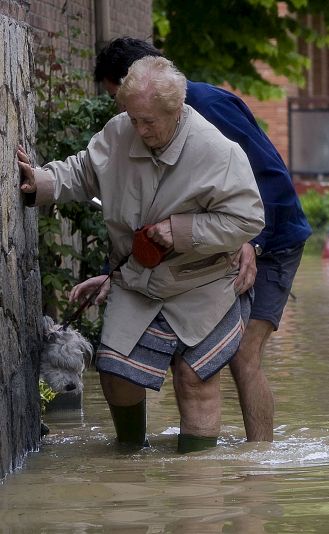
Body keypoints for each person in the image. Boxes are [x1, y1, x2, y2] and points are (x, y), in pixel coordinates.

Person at [18, 56, 265, 452]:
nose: (140, 129)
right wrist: (42, 182)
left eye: (149, 121)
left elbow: (248, 219)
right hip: (137, 278)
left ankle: (196, 486)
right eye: (133, 118)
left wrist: (181, 230)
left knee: (193, 377)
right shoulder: (120, 132)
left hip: (202, 282)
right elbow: (83, 172)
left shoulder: (219, 152)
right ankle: (131, 457)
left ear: (178, 110)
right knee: (116, 375)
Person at [70, 37, 312, 442]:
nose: (122, 112)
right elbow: (143, 218)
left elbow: (267, 175)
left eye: (119, 96)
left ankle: (260, 468)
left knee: (243, 357)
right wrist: (113, 272)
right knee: (201, 364)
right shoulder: (145, 127)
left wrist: (254, 242)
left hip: (272, 238)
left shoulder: (206, 108)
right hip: (209, 245)